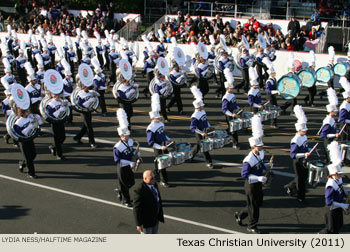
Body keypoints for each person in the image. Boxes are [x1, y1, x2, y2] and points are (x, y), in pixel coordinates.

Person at [235, 136, 268, 234]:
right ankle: (251, 226)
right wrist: (258, 178)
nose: (261, 146)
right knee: (254, 206)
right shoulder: (248, 160)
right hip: (251, 185)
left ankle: (240, 215)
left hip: (258, 183)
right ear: (253, 146)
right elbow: (244, 174)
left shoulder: (260, 153)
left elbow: (260, 164)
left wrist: (266, 166)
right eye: (259, 145)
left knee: (256, 203)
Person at [284, 108, 310, 203]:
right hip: (298, 161)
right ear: (299, 130)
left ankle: (290, 186)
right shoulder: (295, 140)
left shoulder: (304, 136)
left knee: (304, 177)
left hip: (304, 159)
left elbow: (305, 146)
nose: (305, 132)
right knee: (300, 180)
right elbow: (293, 155)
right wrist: (304, 154)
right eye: (304, 130)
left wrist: (309, 150)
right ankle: (300, 196)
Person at [113, 110, 138, 207]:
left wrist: (137, 154)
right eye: (126, 135)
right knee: (124, 185)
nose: (128, 136)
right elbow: (117, 160)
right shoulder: (117, 147)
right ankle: (125, 200)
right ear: (121, 136)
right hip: (122, 167)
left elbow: (131, 151)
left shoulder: (131, 142)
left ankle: (121, 190)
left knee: (131, 182)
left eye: (128, 135)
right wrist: (129, 162)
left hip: (129, 165)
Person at [319, 163, 349, 234]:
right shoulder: (330, 185)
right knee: (332, 230)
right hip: (332, 210)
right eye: (339, 174)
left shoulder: (338, 179)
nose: (341, 175)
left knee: (339, 225)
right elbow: (329, 202)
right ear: (333, 174)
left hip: (338, 207)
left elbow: (340, 190)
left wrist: (347, 192)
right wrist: (342, 205)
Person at [147, 101, 171, 188]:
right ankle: (163, 181)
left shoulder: (161, 123)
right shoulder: (150, 128)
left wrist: (168, 139)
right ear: (152, 118)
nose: (159, 119)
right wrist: (161, 147)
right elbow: (151, 142)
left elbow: (163, 134)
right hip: (158, 147)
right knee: (162, 164)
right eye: (156, 118)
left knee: (164, 161)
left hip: (164, 145)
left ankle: (153, 173)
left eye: (159, 117)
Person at [133, 170, 165, 234]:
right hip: (146, 222)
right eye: (151, 178)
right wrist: (138, 224)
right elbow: (136, 209)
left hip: (155, 219)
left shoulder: (154, 184)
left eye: (154, 177)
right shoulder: (140, 190)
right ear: (145, 179)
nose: (154, 179)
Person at [14, 108, 39, 178]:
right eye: (27, 111)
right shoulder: (19, 122)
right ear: (23, 113)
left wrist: (36, 120)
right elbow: (19, 133)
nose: (29, 112)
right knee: (28, 158)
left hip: (30, 138)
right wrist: (30, 126)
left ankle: (22, 163)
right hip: (23, 141)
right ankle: (31, 173)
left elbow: (39, 123)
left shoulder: (30, 118)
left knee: (33, 154)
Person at [73, 81, 97, 148]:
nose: (88, 88)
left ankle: (77, 137)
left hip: (88, 110)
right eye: (87, 86)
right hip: (83, 111)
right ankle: (92, 142)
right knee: (89, 126)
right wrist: (91, 99)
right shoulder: (80, 94)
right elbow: (81, 104)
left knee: (86, 125)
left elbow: (96, 97)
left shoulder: (90, 92)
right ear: (83, 87)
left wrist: (94, 97)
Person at [190, 97, 213, 169]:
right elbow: (193, 127)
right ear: (198, 107)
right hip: (199, 132)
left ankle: (191, 155)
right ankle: (209, 162)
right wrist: (201, 133)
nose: (203, 106)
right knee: (204, 147)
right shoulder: (194, 116)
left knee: (199, 145)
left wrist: (209, 126)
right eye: (202, 105)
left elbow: (205, 120)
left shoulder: (203, 112)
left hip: (204, 130)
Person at [222, 68, 240, 149]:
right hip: (229, 115)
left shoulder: (232, 95)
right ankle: (235, 143)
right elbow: (224, 110)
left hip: (234, 113)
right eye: (231, 88)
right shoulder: (226, 97)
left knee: (231, 128)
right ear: (227, 88)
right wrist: (231, 114)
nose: (232, 89)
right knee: (234, 130)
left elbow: (234, 104)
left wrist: (238, 108)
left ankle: (224, 134)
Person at [46, 93, 68, 160]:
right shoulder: (50, 104)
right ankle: (59, 154)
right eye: (56, 96)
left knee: (63, 137)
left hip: (61, 120)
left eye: (58, 95)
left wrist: (66, 105)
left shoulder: (61, 101)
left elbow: (67, 107)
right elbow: (51, 113)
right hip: (54, 122)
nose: (58, 97)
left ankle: (53, 146)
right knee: (57, 138)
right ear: (53, 96)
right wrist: (61, 108)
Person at [264, 63, 280, 128]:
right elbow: (268, 91)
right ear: (271, 74)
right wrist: (276, 91)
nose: (275, 73)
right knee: (273, 110)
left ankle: (274, 123)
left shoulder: (274, 79)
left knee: (274, 110)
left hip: (273, 96)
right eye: (274, 73)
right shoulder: (269, 81)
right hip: (270, 97)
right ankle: (273, 124)